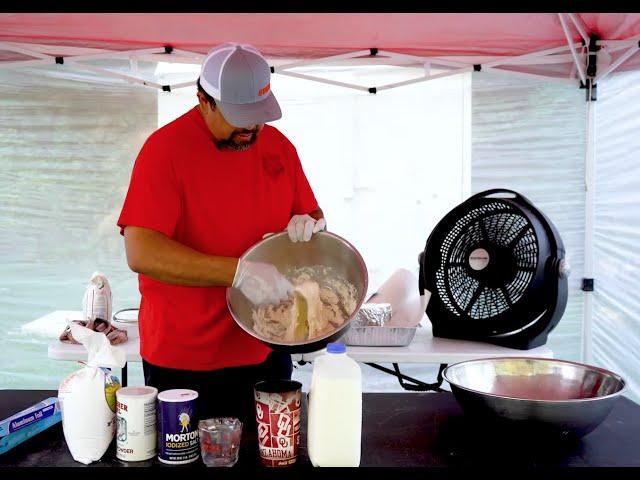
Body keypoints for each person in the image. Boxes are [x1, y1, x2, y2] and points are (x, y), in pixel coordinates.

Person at [117, 43, 326, 420]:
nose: (249, 128)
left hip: (268, 348)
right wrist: (240, 271)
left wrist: (311, 225)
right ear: (202, 99)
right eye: (237, 116)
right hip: (185, 356)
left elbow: (309, 213)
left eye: (258, 116)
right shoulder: (164, 151)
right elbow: (142, 252)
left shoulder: (279, 148)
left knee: (271, 456)